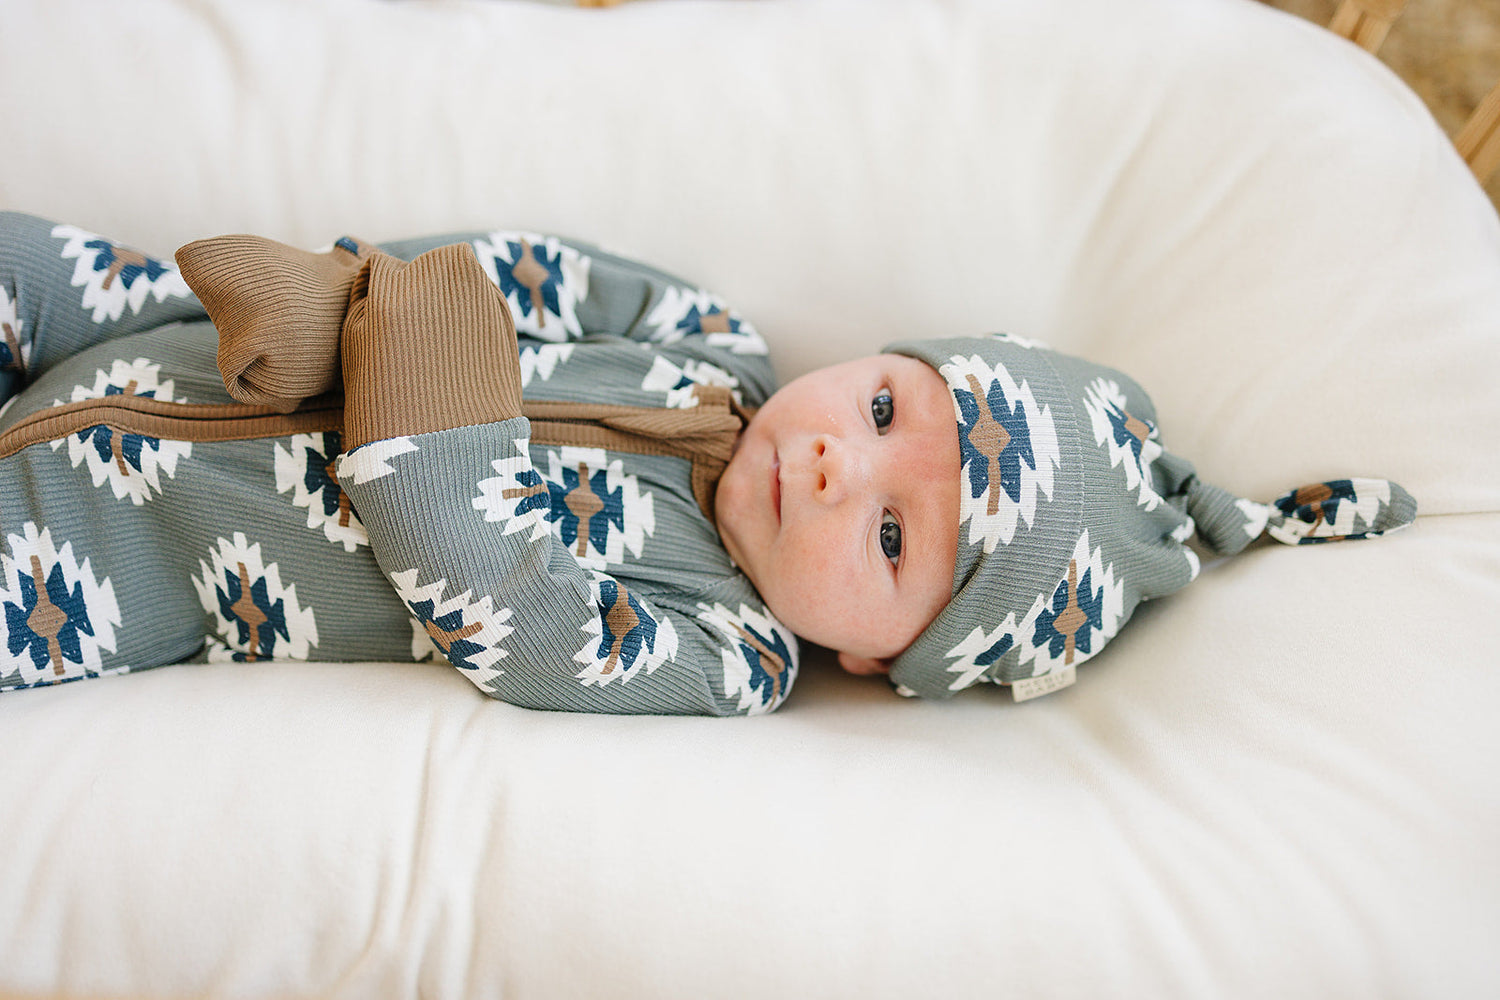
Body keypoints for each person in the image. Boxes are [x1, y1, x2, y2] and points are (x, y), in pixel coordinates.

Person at [0, 212, 1417, 713]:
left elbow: (512, 614)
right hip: (158, 332)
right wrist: (348, 294)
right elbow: (512, 271)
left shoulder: (728, 653)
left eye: (893, 538)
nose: (839, 468)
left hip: (102, 567)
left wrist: (415, 415)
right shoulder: (706, 340)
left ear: (885, 659)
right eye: (883, 411)